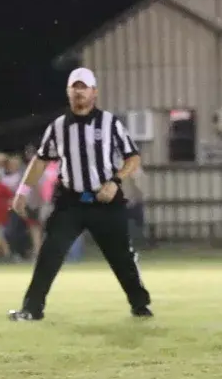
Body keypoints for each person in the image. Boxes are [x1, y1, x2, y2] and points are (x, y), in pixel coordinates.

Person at [8, 67, 152, 321]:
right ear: (68, 92)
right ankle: (31, 309)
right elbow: (41, 160)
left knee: (121, 257)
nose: (79, 92)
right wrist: (22, 191)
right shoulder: (59, 126)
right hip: (71, 201)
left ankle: (140, 305)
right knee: (49, 253)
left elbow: (133, 157)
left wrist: (116, 181)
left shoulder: (110, 123)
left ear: (94, 92)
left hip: (104, 200)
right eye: (74, 87)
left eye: (84, 87)